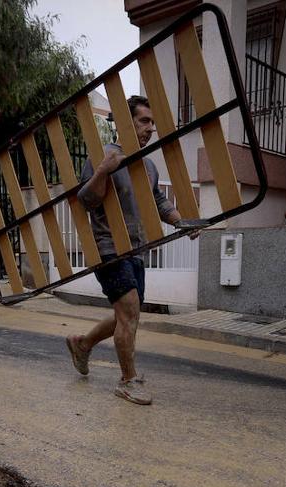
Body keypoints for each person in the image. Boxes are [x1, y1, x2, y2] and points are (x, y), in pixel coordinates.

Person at [64, 95, 200, 405]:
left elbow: (158, 201)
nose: (150, 128)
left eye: (152, 122)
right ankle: (128, 380)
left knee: (127, 314)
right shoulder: (103, 156)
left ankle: (82, 344)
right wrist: (103, 171)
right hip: (109, 249)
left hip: (136, 250)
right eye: (144, 121)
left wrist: (182, 223)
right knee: (129, 312)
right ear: (126, 123)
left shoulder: (148, 165)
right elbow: (86, 200)